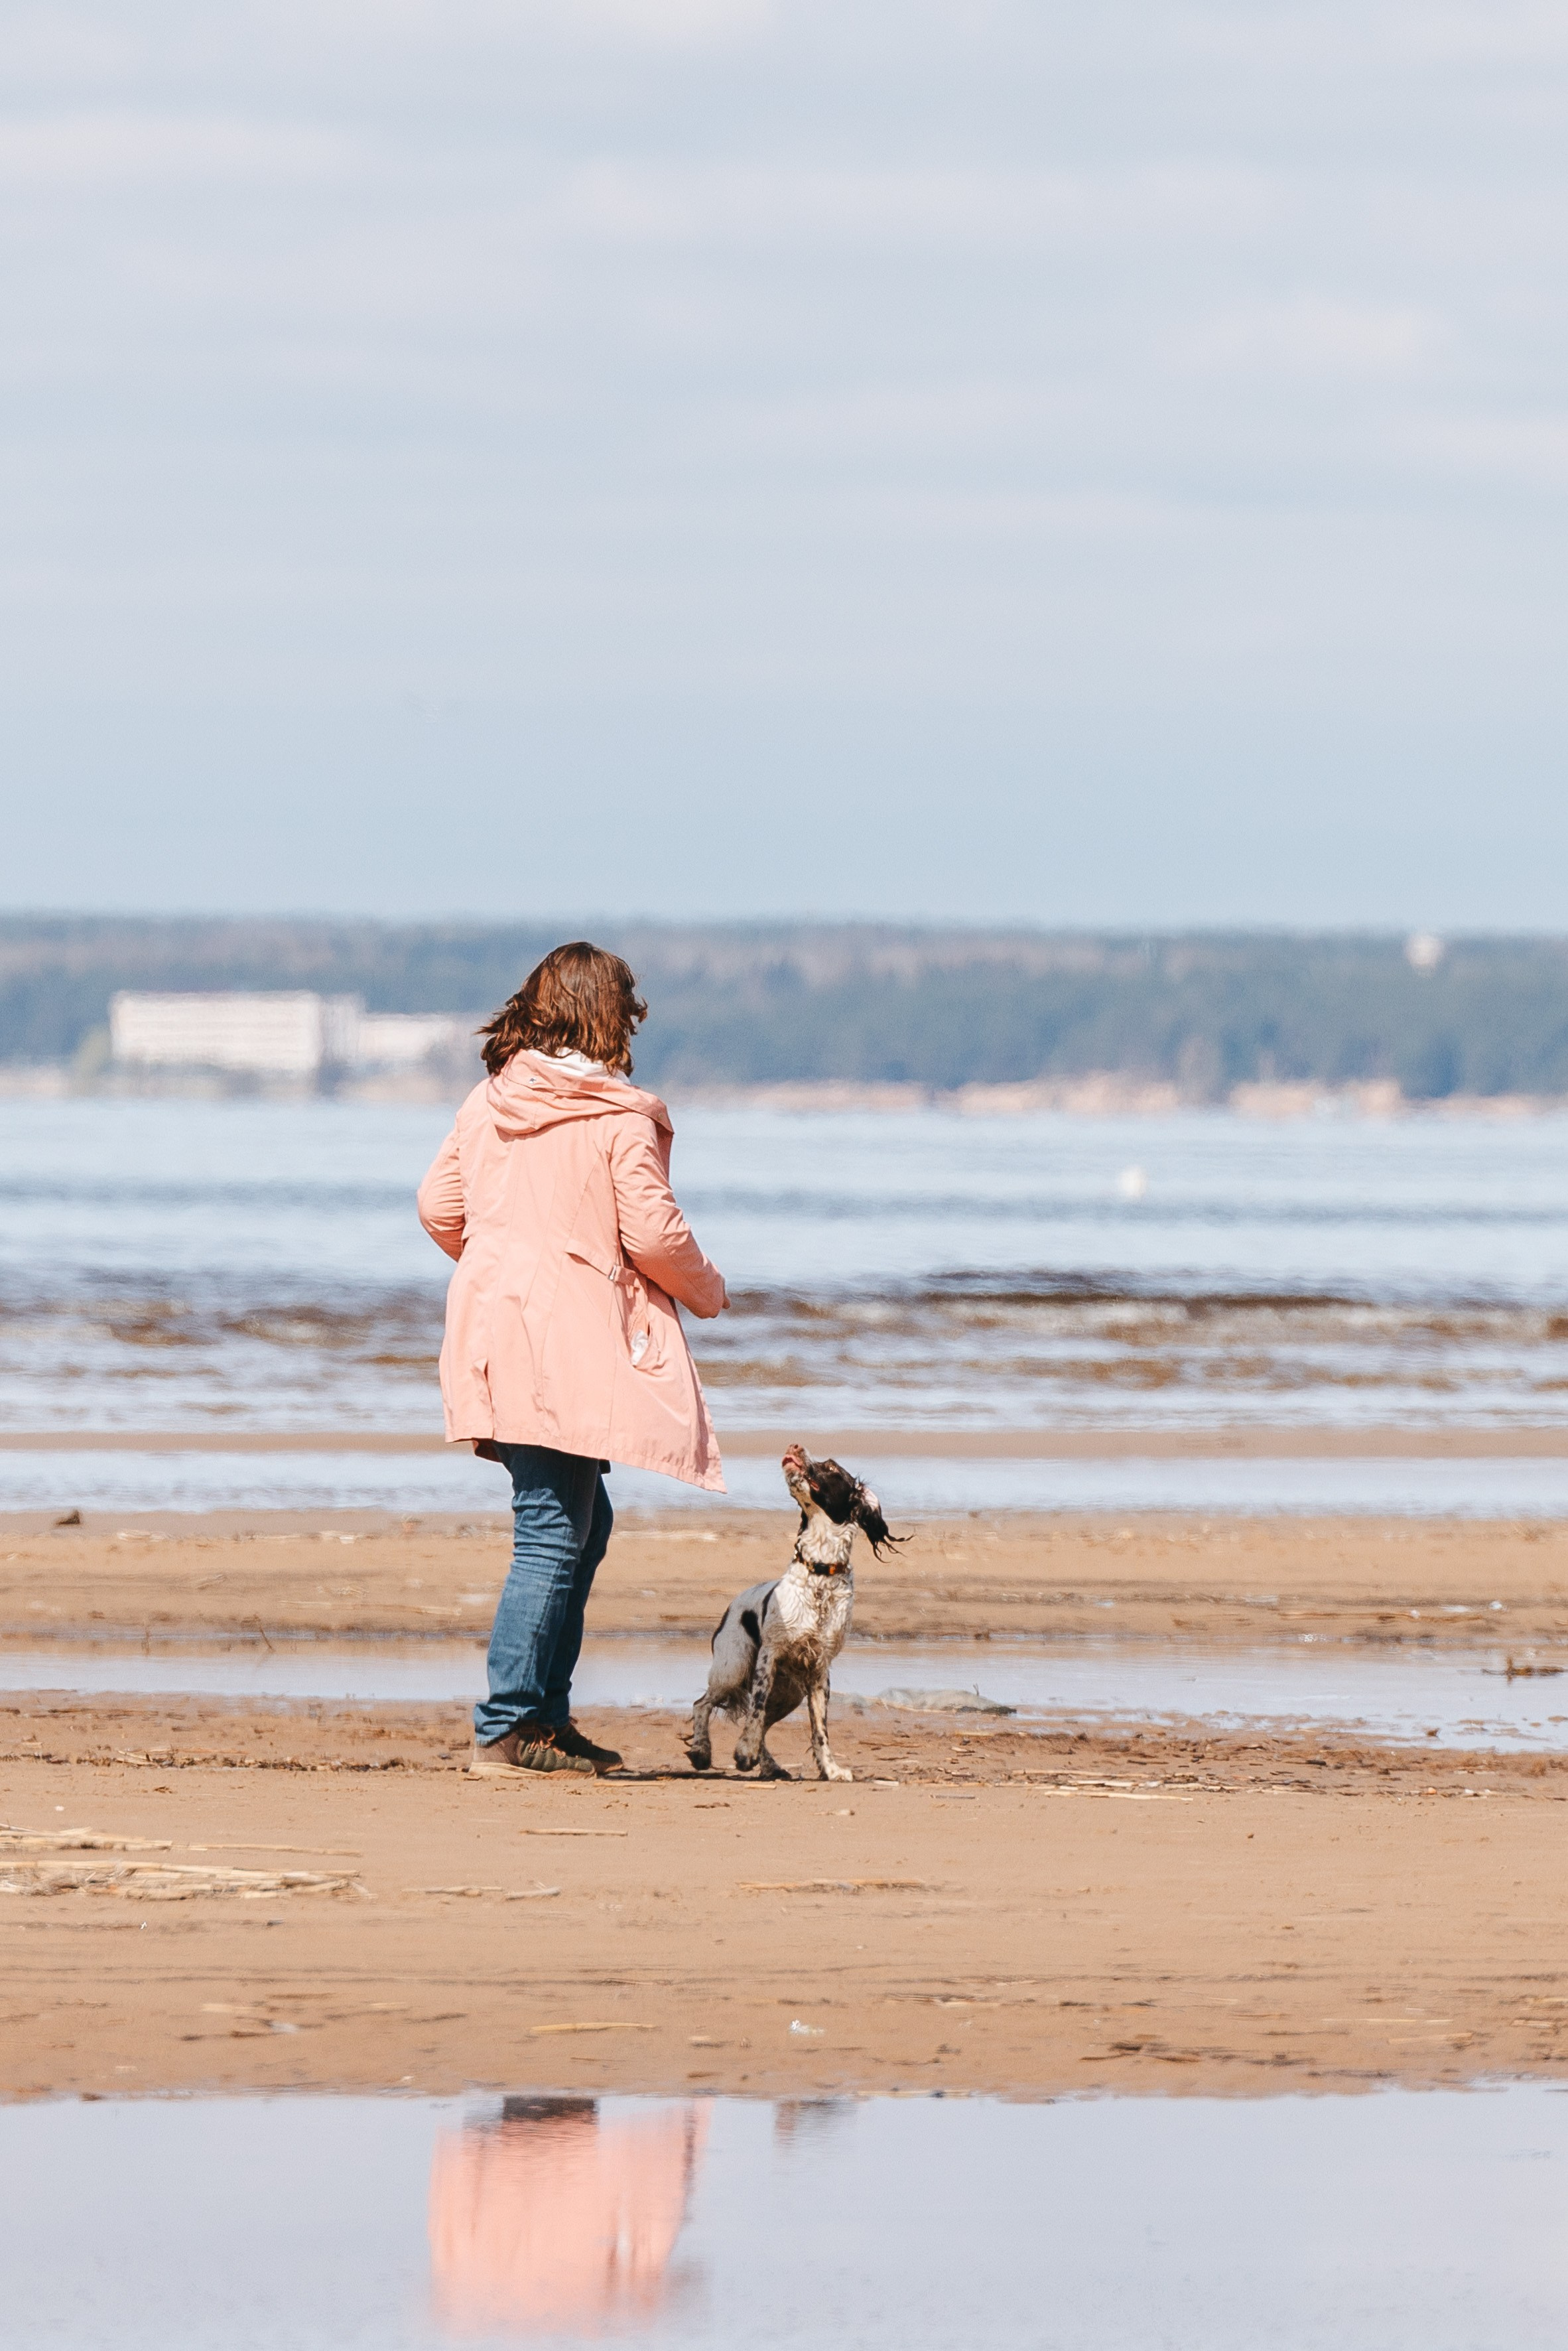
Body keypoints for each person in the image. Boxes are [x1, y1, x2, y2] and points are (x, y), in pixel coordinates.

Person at [417, 941, 728, 1778]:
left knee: (579, 1524)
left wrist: (502, 1263)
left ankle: (544, 1718)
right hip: (568, 1341)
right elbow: (654, 1233)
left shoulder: (489, 1100)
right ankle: (507, 1726)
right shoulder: (616, 1116)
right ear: (610, 1016)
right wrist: (707, 1290)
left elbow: (438, 1206)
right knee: (554, 1530)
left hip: (496, 1328)